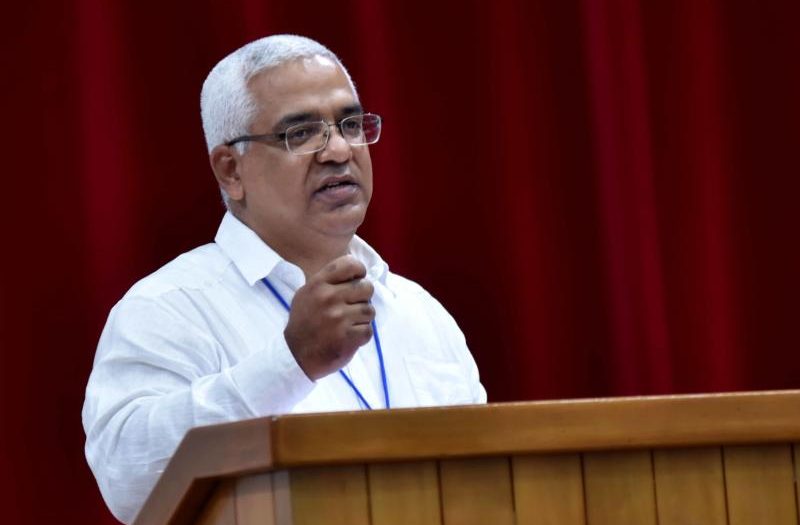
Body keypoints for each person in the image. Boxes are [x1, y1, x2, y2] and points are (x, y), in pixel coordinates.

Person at [82, 34, 486, 524]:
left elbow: (481, 482)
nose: (339, 150)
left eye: (351, 124)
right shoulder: (167, 308)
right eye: (301, 133)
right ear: (231, 170)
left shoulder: (419, 311)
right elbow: (129, 480)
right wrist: (290, 362)